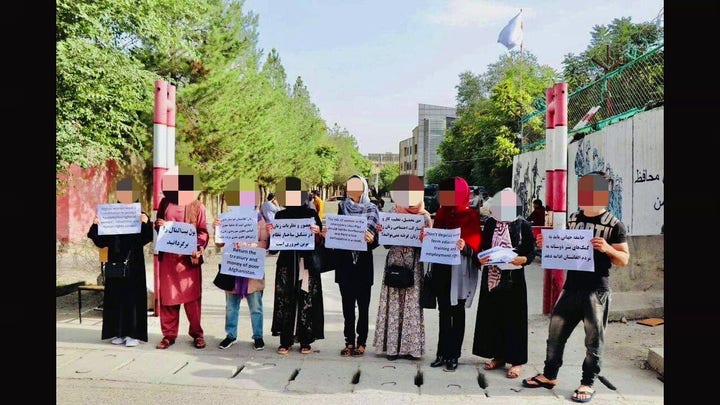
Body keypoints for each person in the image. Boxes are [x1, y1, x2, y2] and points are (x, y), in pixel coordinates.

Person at [521, 171, 630, 403]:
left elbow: (624, 259)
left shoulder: (614, 225)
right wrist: (546, 243)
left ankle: (587, 383)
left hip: (596, 290)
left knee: (593, 340)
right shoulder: (573, 219)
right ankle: (549, 375)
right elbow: (564, 248)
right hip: (571, 287)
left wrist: (607, 249)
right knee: (555, 334)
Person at [472, 187, 536, 379]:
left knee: (514, 319)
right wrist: (481, 258)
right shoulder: (491, 223)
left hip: (514, 279)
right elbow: (483, 247)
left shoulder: (523, 225)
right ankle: (498, 356)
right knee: (494, 317)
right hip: (492, 277)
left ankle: (517, 361)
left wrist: (522, 260)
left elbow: (531, 252)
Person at [86, 178, 153, 347]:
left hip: (134, 263)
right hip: (115, 262)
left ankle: (133, 334)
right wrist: (96, 225)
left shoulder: (140, 214)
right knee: (115, 297)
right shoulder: (111, 214)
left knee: (133, 298)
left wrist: (146, 223)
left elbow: (147, 238)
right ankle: (118, 332)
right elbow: (101, 241)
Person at [373, 174, 432, 361]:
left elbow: (429, 248)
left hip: (414, 266)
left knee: (411, 307)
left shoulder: (424, 217)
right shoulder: (392, 214)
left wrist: (426, 239)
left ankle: (411, 349)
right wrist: (383, 233)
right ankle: (392, 348)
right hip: (394, 264)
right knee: (393, 304)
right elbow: (386, 245)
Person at [427, 176, 481, 372]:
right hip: (442, 268)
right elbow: (435, 240)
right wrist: (427, 238)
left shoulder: (470, 216)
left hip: (460, 272)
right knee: (443, 312)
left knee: (457, 313)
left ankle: (454, 354)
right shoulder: (440, 213)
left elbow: (476, 246)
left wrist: (465, 246)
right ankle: (441, 353)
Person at [267, 177, 325, 355]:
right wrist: (272, 234)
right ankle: (285, 340)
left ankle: (305, 340)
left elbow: (320, 242)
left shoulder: (311, 214)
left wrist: (317, 233)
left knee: (306, 300)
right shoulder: (280, 215)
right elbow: (274, 247)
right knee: (286, 300)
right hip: (286, 264)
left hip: (305, 264)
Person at [154, 168, 209, 350]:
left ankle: (197, 334)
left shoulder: (197, 206)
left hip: (188, 262)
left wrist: (198, 248)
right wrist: (159, 225)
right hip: (168, 260)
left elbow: (203, 232)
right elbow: (158, 224)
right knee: (168, 299)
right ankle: (168, 335)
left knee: (192, 300)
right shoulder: (165, 203)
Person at [330, 174, 380, 357]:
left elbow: (376, 241)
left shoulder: (373, 209)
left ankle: (362, 342)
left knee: (364, 306)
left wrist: (372, 239)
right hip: (345, 264)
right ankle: (349, 341)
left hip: (363, 264)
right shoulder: (342, 207)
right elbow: (338, 232)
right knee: (347, 307)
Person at [213, 206, 269, 351]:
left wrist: (248, 245)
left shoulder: (259, 219)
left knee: (256, 307)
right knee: (231, 307)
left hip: (251, 266)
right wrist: (217, 229)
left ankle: (258, 336)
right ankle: (230, 335)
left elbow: (265, 243)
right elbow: (219, 243)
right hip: (232, 266)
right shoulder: (227, 218)